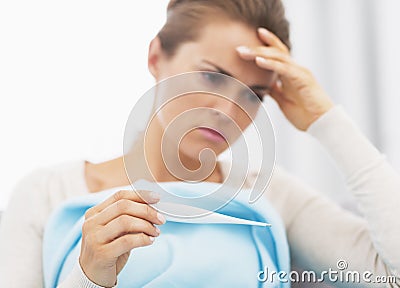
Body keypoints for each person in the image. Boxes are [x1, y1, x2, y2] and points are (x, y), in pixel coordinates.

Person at [1, 0, 399, 287]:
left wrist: (325, 119)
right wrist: (88, 279)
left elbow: (390, 275)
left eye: (254, 94)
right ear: (156, 56)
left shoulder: (270, 197)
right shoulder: (48, 195)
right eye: (212, 76)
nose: (229, 109)